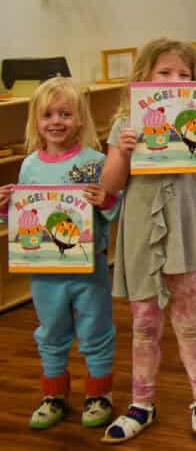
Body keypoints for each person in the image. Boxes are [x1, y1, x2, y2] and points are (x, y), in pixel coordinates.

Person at [100, 39, 196, 442]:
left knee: (190, 319)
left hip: (186, 229)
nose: (175, 80)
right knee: (143, 323)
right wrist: (123, 152)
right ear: (143, 76)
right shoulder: (126, 121)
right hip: (142, 231)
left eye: (185, 74)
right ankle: (142, 403)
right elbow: (110, 186)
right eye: (165, 72)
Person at [0, 78, 119, 430]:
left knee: (96, 330)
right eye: (48, 114)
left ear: (80, 118)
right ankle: (54, 394)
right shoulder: (30, 166)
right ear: (36, 121)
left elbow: (114, 209)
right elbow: (27, 220)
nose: (56, 121)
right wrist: (6, 209)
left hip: (89, 268)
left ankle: (99, 394)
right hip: (45, 273)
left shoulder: (97, 162)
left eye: (66, 113)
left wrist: (107, 200)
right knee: (51, 332)